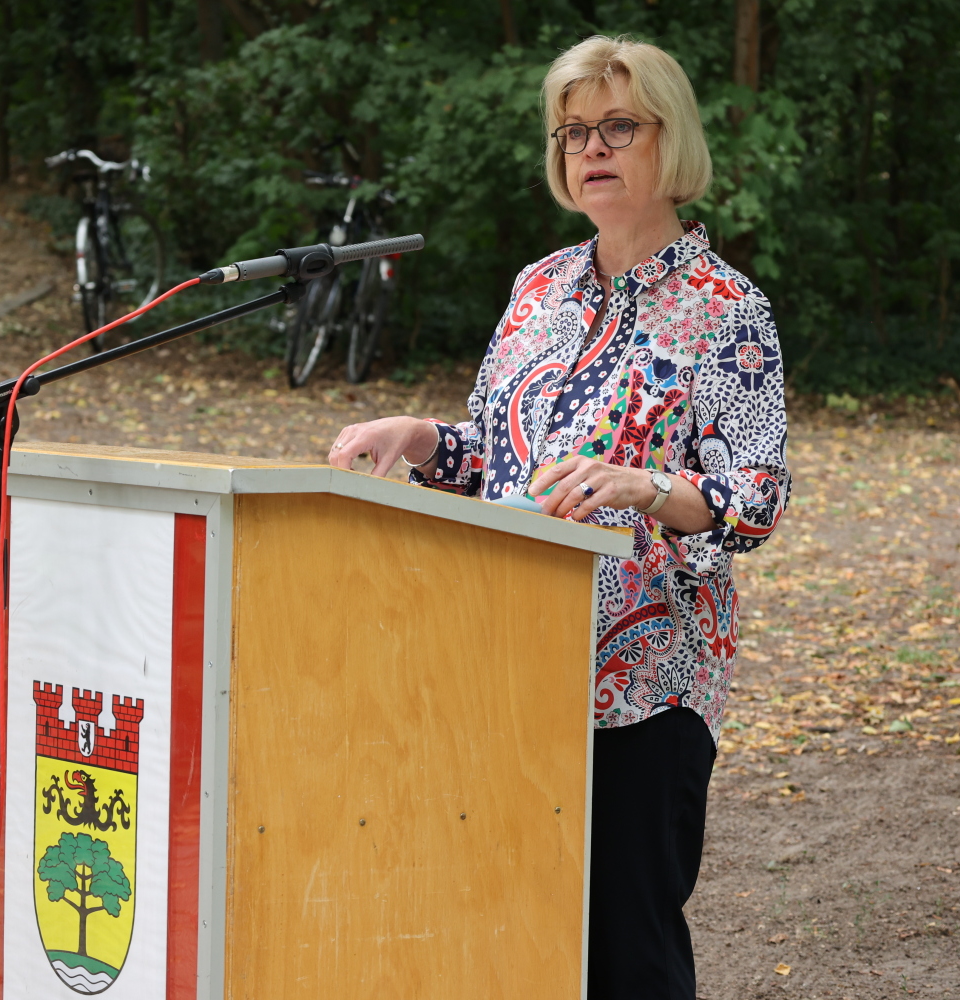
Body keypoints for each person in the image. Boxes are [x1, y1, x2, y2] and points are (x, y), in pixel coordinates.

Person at [326, 34, 791, 1000]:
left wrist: (645, 487)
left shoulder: (729, 309)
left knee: (627, 952)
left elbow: (753, 502)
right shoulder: (537, 288)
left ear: (672, 142)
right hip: (503, 666)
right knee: (507, 936)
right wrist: (417, 435)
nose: (592, 147)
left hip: (645, 686)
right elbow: (500, 460)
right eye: (574, 130)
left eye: (618, 125)